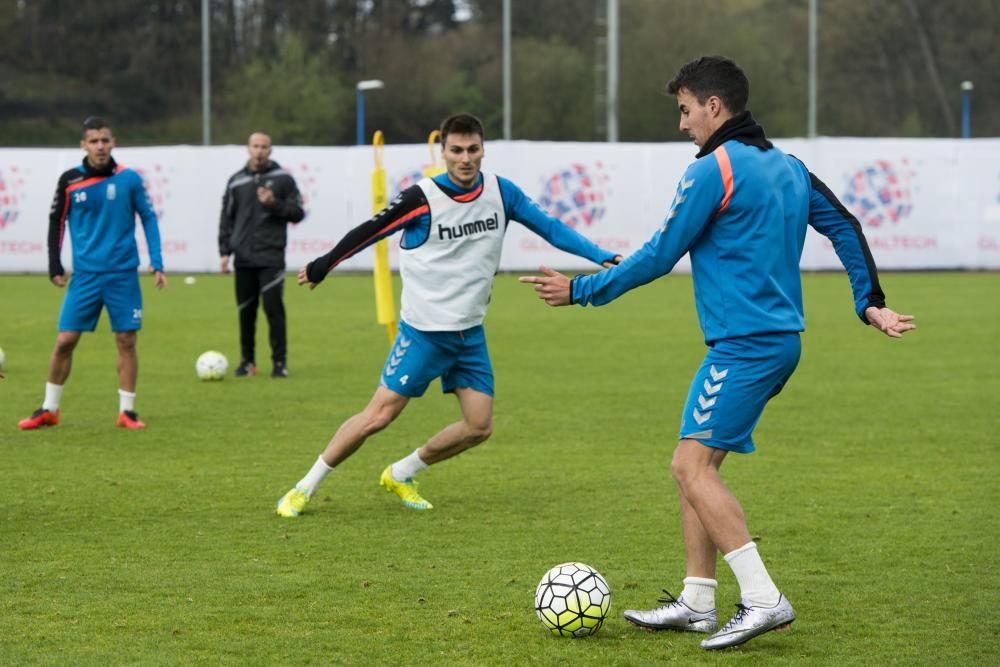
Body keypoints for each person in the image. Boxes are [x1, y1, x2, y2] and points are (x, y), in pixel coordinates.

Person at [520, 56, 916, 651]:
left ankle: (763, 598)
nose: (682, 125)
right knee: (693, 465)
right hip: (770, 343)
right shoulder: (789, 166)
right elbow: (846, 225)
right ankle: (698, 600)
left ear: (713, 106)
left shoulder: (712, 170)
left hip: (746, 347)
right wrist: (869, 301)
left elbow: (659, 254)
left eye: (685, 110)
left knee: (690, 467)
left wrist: (580, 291)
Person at [275, 113, 622, 518]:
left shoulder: (500, 192)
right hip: (424, 333)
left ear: (483, 149)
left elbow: (551, 227)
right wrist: (324, 264)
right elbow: (371, 230)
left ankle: (401, 472)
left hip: (469, 334)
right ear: (443, 152)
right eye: (456, 150)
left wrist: (602, 256)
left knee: (479, 426)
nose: (465, 158)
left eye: (472, 149)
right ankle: (304, 486)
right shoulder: (421, 198)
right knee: (378, 416)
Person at [18, 116, 167, 431]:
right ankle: (49, 408)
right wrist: (55, 264)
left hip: (122, 274)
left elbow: (148, 218)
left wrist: (156, 260)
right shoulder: (70, 180)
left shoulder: (129, 179)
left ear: (113, 143)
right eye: (94, 141)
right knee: (64, 340)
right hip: (85, 276)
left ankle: (127, 411)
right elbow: (56, 221)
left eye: (105, 140)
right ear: (83, 145)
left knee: (126, 340)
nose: (100, 146)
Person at [219, 132, 305, 378]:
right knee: (246, 312)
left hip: (271, 257)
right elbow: (226, 218)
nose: (259, 151)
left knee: (273, 309)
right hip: (243, 257)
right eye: (255, 146)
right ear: (248, 149)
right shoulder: (236, 181)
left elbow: (297, 212)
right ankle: (247, 362)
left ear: (270, 150)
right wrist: (224, 251)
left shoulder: (283, 180)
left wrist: (273, 203)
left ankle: (280, 363)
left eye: (264, 147)